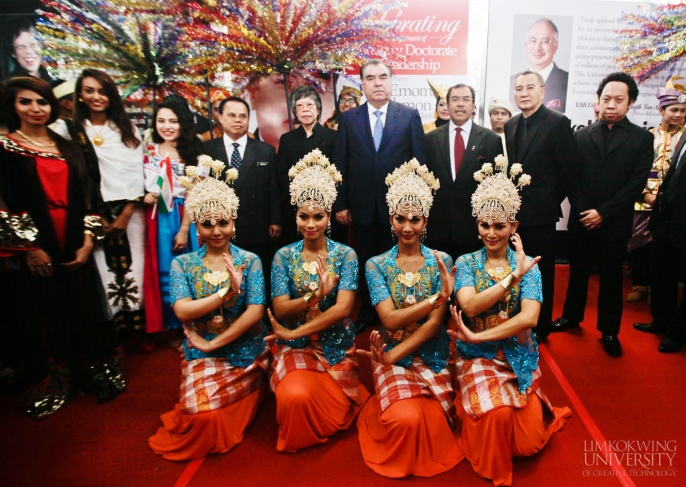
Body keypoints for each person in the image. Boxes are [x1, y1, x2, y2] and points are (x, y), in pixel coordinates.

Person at [0, 77, 124, 419]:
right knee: (40, 313)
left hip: (73, 239)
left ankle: (93, 376)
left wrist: (87, 240)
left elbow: (90, 196)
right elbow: (3, 204)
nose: (35, 109)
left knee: (82, 308)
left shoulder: (68, 146)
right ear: (13, 106)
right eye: (26, 102)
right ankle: (52, 386)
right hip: (34, 246)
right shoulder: (6, 147)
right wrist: (29, 248)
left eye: (41, 102)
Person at [450, 161, 571, 486]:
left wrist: (520, 273)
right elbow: (470, 304)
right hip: (477, 357)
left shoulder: (530, 266)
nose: (491, 233)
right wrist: (510, 280)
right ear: (477, 225)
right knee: (497, 416)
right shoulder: (466, 262)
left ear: (513, 225)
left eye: (500, 226)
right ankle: (469, 414)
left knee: (528, 442)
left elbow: (529, 319)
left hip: (516, 358)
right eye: (485, 225)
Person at [149, 163, 270, 460]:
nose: (217, 231)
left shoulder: (250, 260)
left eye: (223, 222)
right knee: (196, 413)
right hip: (202, 353)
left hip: (245, 351)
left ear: (233, 222)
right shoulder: (183, 264)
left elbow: (255, 311)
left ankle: (257, 388)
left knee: (211, 419)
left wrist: (214, 342)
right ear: (197, 227)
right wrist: (225, 291)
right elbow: (182, 311)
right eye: (207, 223)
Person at [356, 159, 461, 478]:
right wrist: (437, 297)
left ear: (425, 220)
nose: (407, 226)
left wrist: (391, 355)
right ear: (391, 219)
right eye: (400, 218)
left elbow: (433, 324)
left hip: (429, 356)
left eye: (415, 219)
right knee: (406, 419)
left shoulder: (442, 261)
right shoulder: (376, 265)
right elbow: (389, 320)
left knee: (431, 420)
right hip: (393, 357)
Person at [266, 150, 369, 452]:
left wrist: (290, 332)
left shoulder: (345, 255)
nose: (311, 224)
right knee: (295, 397)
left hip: (334, 346)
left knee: (316, 403)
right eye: (303, 216)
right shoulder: (283, 256)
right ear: (295, 215)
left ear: (328, 216)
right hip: (296, 348)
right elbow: (281, 308)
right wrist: (315, 295)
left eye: (318, 216)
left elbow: (344, 309)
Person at [552, 73, 653, 357]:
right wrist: (587, 211)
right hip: (581, 218)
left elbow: (636, 183)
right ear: (597, 101)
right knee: (578, 273)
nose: (611, 105)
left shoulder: (642, 138)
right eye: (606, 99)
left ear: (630, 102)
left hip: (615, 222)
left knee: (611, 278)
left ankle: (609, 330)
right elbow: (572, 177)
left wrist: (603, 213)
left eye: (618, 100)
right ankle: (571, 317)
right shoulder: (581, 134)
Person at [332, 59, 427, 330]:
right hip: (361, 206)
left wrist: (415, 206)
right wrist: (341, 203)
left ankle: (399, 310)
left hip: (399, 210)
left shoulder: (408, 115)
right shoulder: (349, 119)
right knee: (365, 261)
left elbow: (419, 165)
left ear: (391, 81)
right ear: (362, 84)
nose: (377, 82)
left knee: (399, 260)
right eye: (371, 78)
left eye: (383, 77)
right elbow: (341, 164)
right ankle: (369, 313)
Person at [53, 69, 147, 335]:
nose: (97, 96)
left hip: (130, 210)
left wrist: (127, 212)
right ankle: (112, 333)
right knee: (103, 274)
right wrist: (95, 214)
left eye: (103, 91)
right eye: (90, 90)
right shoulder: (68, 130)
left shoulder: (127, 129)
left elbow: (137, 172)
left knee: (135, 269)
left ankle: (137, 332)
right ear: (79, 95)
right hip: (90, 211)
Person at [504, 70, 576, 342]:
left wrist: (547, 200)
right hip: (514, 214)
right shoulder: (511, 125)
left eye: (530, 87)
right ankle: (515, 321)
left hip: (543, 214)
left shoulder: (558, 123)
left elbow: (569, 171)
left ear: (543, 91)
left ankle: (540, 326)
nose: (524, 93)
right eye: (519, 88)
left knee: (541, 272)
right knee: (516, 270)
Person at [202, 96, 283, 295]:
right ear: (220, 118)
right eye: (231, 115)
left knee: (258, 272)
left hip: (258, 224)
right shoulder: (207, 150)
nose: (238, 120)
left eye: (243, 116)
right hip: (220, 226)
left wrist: (276, 219)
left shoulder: (265, 151)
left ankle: (260, 314)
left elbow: (275, 187)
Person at [143, 98, 205, 334]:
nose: (167, 126)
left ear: (184, 123)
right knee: (163, 270)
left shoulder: (195, 154)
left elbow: (194, 194)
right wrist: (144, 197)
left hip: (183, 216)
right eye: (161, 121)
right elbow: (142, 185)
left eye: (173, 121)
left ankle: (193, 324)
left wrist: (183, 228)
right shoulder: (149, 151)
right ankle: (170, 325)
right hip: (156, 218)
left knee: (188, 270)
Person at [425, 84, 504, 260]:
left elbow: (496, 186)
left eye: (466, 99)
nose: (460, 104)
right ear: (446, 104)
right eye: (455, 99)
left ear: (474, 104)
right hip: (439, 229)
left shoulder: (491, 140)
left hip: (474, 229)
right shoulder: (430, 139)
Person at [634, 87, 686, 352]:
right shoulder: (652, 137)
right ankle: (661, 319)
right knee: (659, 267)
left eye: (682, 110)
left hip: (679, 216)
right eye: (674, 109)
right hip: (658, 212)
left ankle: (677, 331)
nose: (678, 114)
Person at [276, 85, 337, 244]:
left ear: (318, 109)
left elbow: (339, 171)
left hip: (327, 207)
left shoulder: (333, 137)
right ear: (295, 112)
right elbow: (282, 173)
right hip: (296, 207)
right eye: (299, 106)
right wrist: (296, 198)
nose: (305, 110)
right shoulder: (287, 139)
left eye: (309, 105)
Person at [247, 73, 335, 150]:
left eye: (314, 83)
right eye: (282, 81)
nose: (298, 97)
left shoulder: (334, 139)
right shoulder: (246, 150)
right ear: (253, 94)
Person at [509, 18, 568, 112]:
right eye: (532, 41)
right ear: (526, 45)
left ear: (555, 46)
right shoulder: (512, 80)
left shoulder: (566, 81)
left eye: (544, 41)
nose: (537, 47)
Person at [5, 19, 56, 85]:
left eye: (33, 44)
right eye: (21, 47)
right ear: (13, 53)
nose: (29, 51)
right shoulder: (9, 87)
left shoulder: (54, 79)